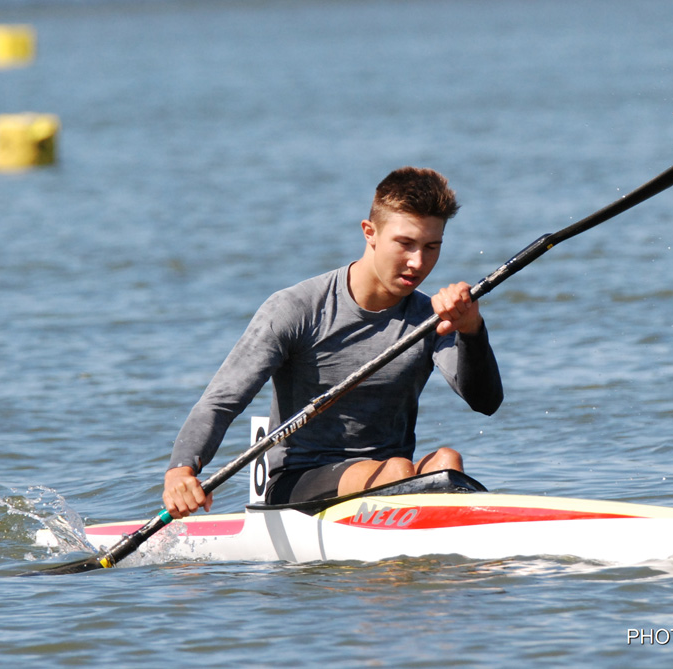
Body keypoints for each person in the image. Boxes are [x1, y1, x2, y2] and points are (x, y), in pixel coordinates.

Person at [163, 167, 503, 518]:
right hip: (297, 484)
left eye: (432, 247)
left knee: (447, 461)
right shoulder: (297, 308)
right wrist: (181, 470)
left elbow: (485, 403)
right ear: (369, 233)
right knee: (399, 469)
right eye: (405, 244)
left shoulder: (430, 318)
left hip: (389, 478)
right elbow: (221, 402)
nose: (418, 262)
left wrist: (471, 330)